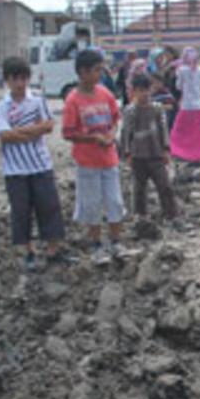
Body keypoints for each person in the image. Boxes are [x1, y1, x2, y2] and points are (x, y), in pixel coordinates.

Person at [0, 57, 70, 271]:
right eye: (15, 79)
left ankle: (53, 249)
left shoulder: (37, 99)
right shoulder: (2, 105)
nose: (20, 83)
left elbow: (48, 125)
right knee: (21, 211)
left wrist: (20, 131)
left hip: (40, 165)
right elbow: (4, 134)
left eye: (24, 78)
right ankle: (27, 251)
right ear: (7, 80)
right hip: (15, 169)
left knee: (49, 207)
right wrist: (32, 131)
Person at [62, 49, 128, 266]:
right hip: (87, 161)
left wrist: (111, 135)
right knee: (91, 204)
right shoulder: (73, 100)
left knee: (115, 201)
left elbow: (116, 119)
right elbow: (68, 132)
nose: (100, 74)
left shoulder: (105, 94)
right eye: (97, 70)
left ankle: (116, 241)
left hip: (109, 158)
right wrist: (92, 138)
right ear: (83, 72)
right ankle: (96, 244)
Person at [121, 74, 179, 223]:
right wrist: (127, 153)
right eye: (140, 90)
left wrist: (166, 150)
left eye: (146, 90)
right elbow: (126, 133)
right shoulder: (130, 111)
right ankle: (141, 215)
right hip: (138, 155)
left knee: (164, 185)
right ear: (134, 91)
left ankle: (171, 214)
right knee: (139, 188)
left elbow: (163, 129)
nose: (144, 94)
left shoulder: (157, 109)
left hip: (156, 153)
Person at [170, 47, 200, 164]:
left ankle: (182, 152)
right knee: (199, 133)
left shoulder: (181, 70)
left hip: (186, 105)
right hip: (199, 104)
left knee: (181, 132)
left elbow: (178, 86)